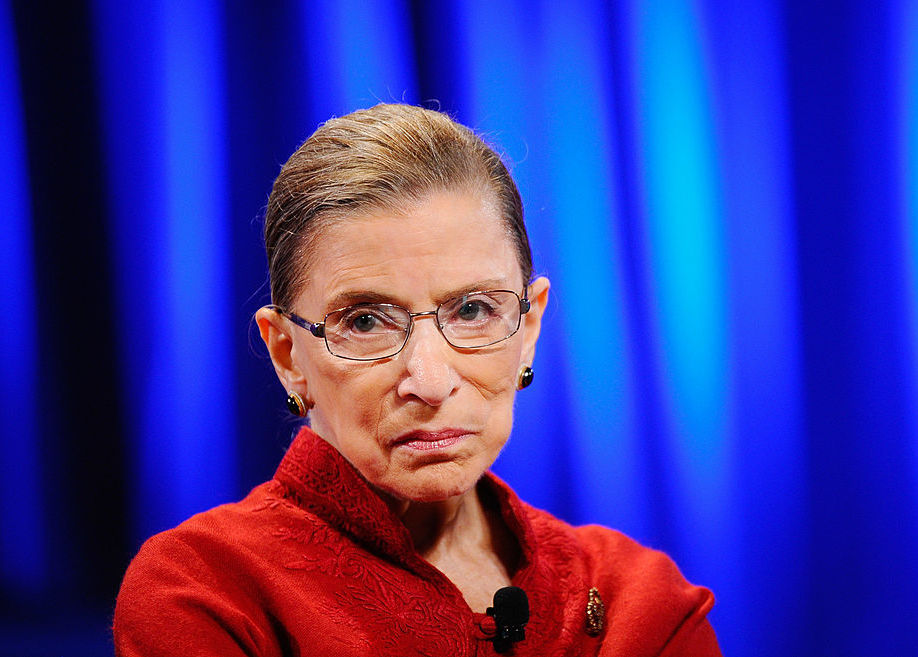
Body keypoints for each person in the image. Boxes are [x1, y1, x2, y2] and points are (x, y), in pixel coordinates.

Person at [113, 104, 721, 656]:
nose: (428, 381)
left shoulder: (636, 598)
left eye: (474, 310)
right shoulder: (207, 592)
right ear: (287, 353)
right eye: (366, 320)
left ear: (529, 325)